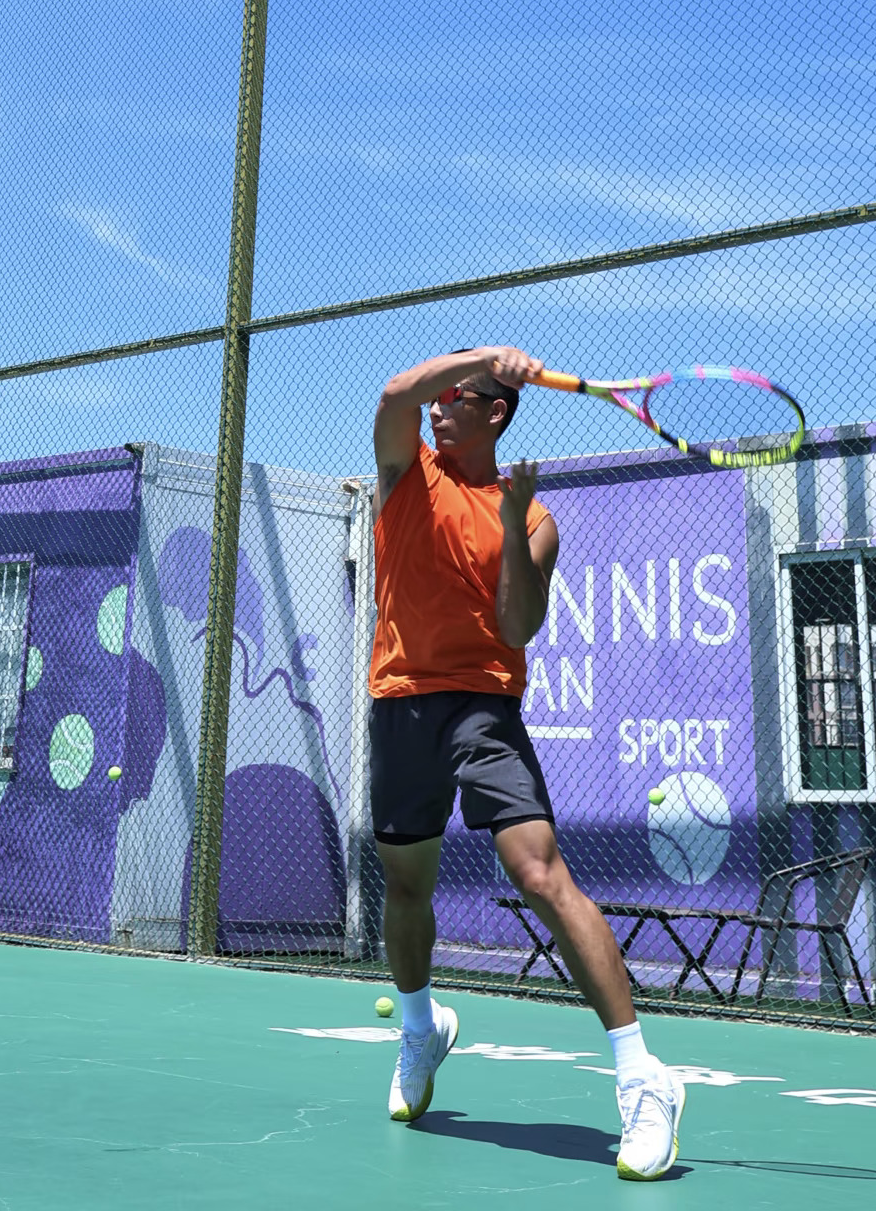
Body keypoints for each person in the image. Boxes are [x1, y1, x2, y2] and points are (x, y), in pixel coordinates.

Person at [368, 344, 685, 1182]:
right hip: (399, 700)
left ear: (495, 413)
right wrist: (480, 356)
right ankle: (420, 1029)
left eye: (457, 397)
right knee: (406, 886)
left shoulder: (536, 519)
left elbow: (516, 628)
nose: (438, 405)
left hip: (482, 704)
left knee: (539, 872)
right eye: (438, 395)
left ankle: (643, 1078)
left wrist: (511, 524)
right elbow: (397, 390)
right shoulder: (406, 468)